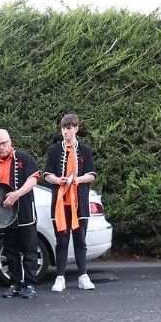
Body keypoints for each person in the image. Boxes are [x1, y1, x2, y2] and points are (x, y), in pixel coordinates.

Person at [42, 113, 98, 291]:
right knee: (61, 241)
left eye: (68, 128)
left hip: (79, 203)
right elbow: (47, 174)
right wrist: (58, 180)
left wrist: (77, 180)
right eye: (63, 128)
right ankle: (60, 277)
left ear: (76, 129)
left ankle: (83, 276)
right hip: (60, 203)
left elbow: (92, 175)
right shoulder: (54, 150)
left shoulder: (85, 150)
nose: (65, 132)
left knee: (80, 240)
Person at [0, 129, 41, 299]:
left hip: (24, 211)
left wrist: (17, 194)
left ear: (10, 141)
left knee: (29, 250)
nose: (2, 147)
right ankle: (15, 284)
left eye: (4, 143)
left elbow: (33, 179)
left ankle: (30, 285)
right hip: (5, 215)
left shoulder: (24, 157)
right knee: (10, 251)